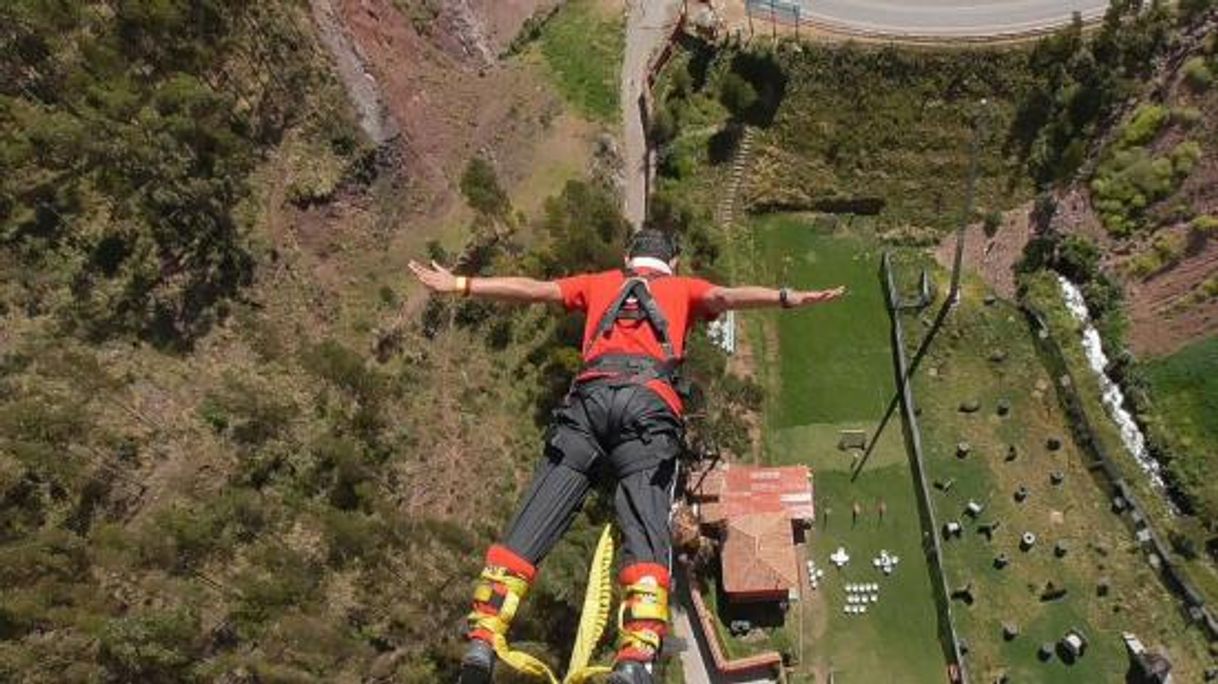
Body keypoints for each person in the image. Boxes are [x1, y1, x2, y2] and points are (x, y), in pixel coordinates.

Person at [408, 229, 845, 684]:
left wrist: (460, 285)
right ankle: (636, 653)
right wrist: (789, 297)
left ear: (628, 258)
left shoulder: (600, 283)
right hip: (648, 410)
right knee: (644, 519)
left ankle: (484, 636)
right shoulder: (684, 289)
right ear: (673, 263)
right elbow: (728, 296)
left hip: (589, 405)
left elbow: (534, 290)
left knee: (542, 505)